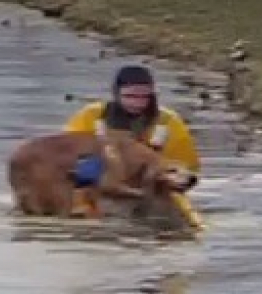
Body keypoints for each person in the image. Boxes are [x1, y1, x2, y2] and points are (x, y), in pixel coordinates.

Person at [64, 64, 202, 225]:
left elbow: (186, 164)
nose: (137, 103)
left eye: (144, 97)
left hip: (153, 185)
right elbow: (71, 151)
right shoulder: (92, 115)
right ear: (116, 94)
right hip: (100, 182)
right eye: (130, 96)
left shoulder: (168, 121)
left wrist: (163, 176)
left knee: (191, 224)